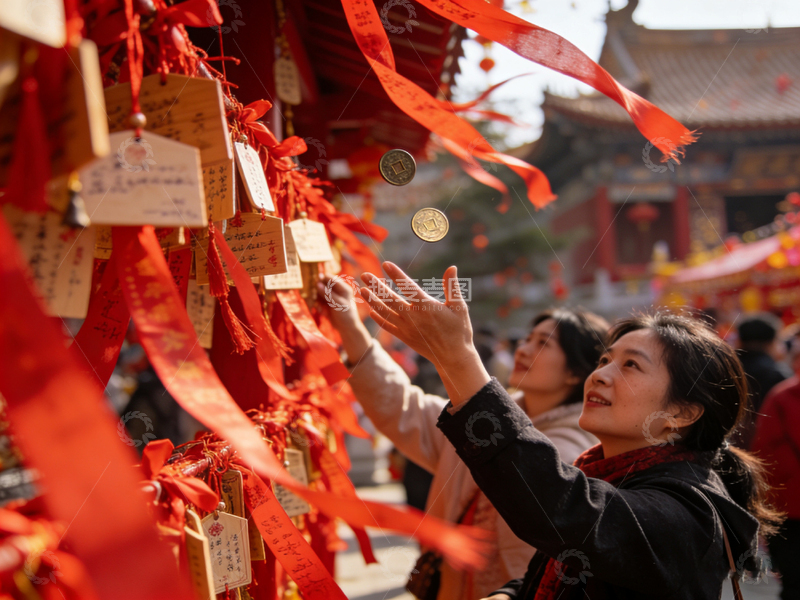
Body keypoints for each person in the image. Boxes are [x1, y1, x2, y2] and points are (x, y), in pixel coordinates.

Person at [355, 262, 783, 600]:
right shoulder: (605, 472)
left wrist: (458, 359)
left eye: (631, 366)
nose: (602, 375)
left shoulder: (686, 512)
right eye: (605, 360)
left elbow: (560, 506)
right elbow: (557, 573)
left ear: (681, 413)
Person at [319, 274, 606, 600]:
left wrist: (455, 354)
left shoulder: (579, 450)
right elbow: (403, 407)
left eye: (543, 343)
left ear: (575, 372)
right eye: (527, 338)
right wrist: (350, 325)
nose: (524, 349)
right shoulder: (476, 421)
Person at [752, 332, 800, 600]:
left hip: (787, 508)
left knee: (794, 583)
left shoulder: (782, 396)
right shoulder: (782, 395)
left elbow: (764, 455)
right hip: (788, 507)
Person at [735, 315, 790, 448]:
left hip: (723, 443)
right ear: (772, 342)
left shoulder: (722, 367)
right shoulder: (778, 375)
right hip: (763, 445)